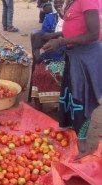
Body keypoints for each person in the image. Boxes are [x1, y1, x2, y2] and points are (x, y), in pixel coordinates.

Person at [42, 0, 102, 153]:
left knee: (80, 98)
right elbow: (76, 28)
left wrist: (61, 41)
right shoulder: (73, 1)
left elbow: (93, 34)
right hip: (74, 55)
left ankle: (81, 139)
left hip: (85, 57)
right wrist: (55, 35)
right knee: (70, 95)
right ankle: (70, 129)